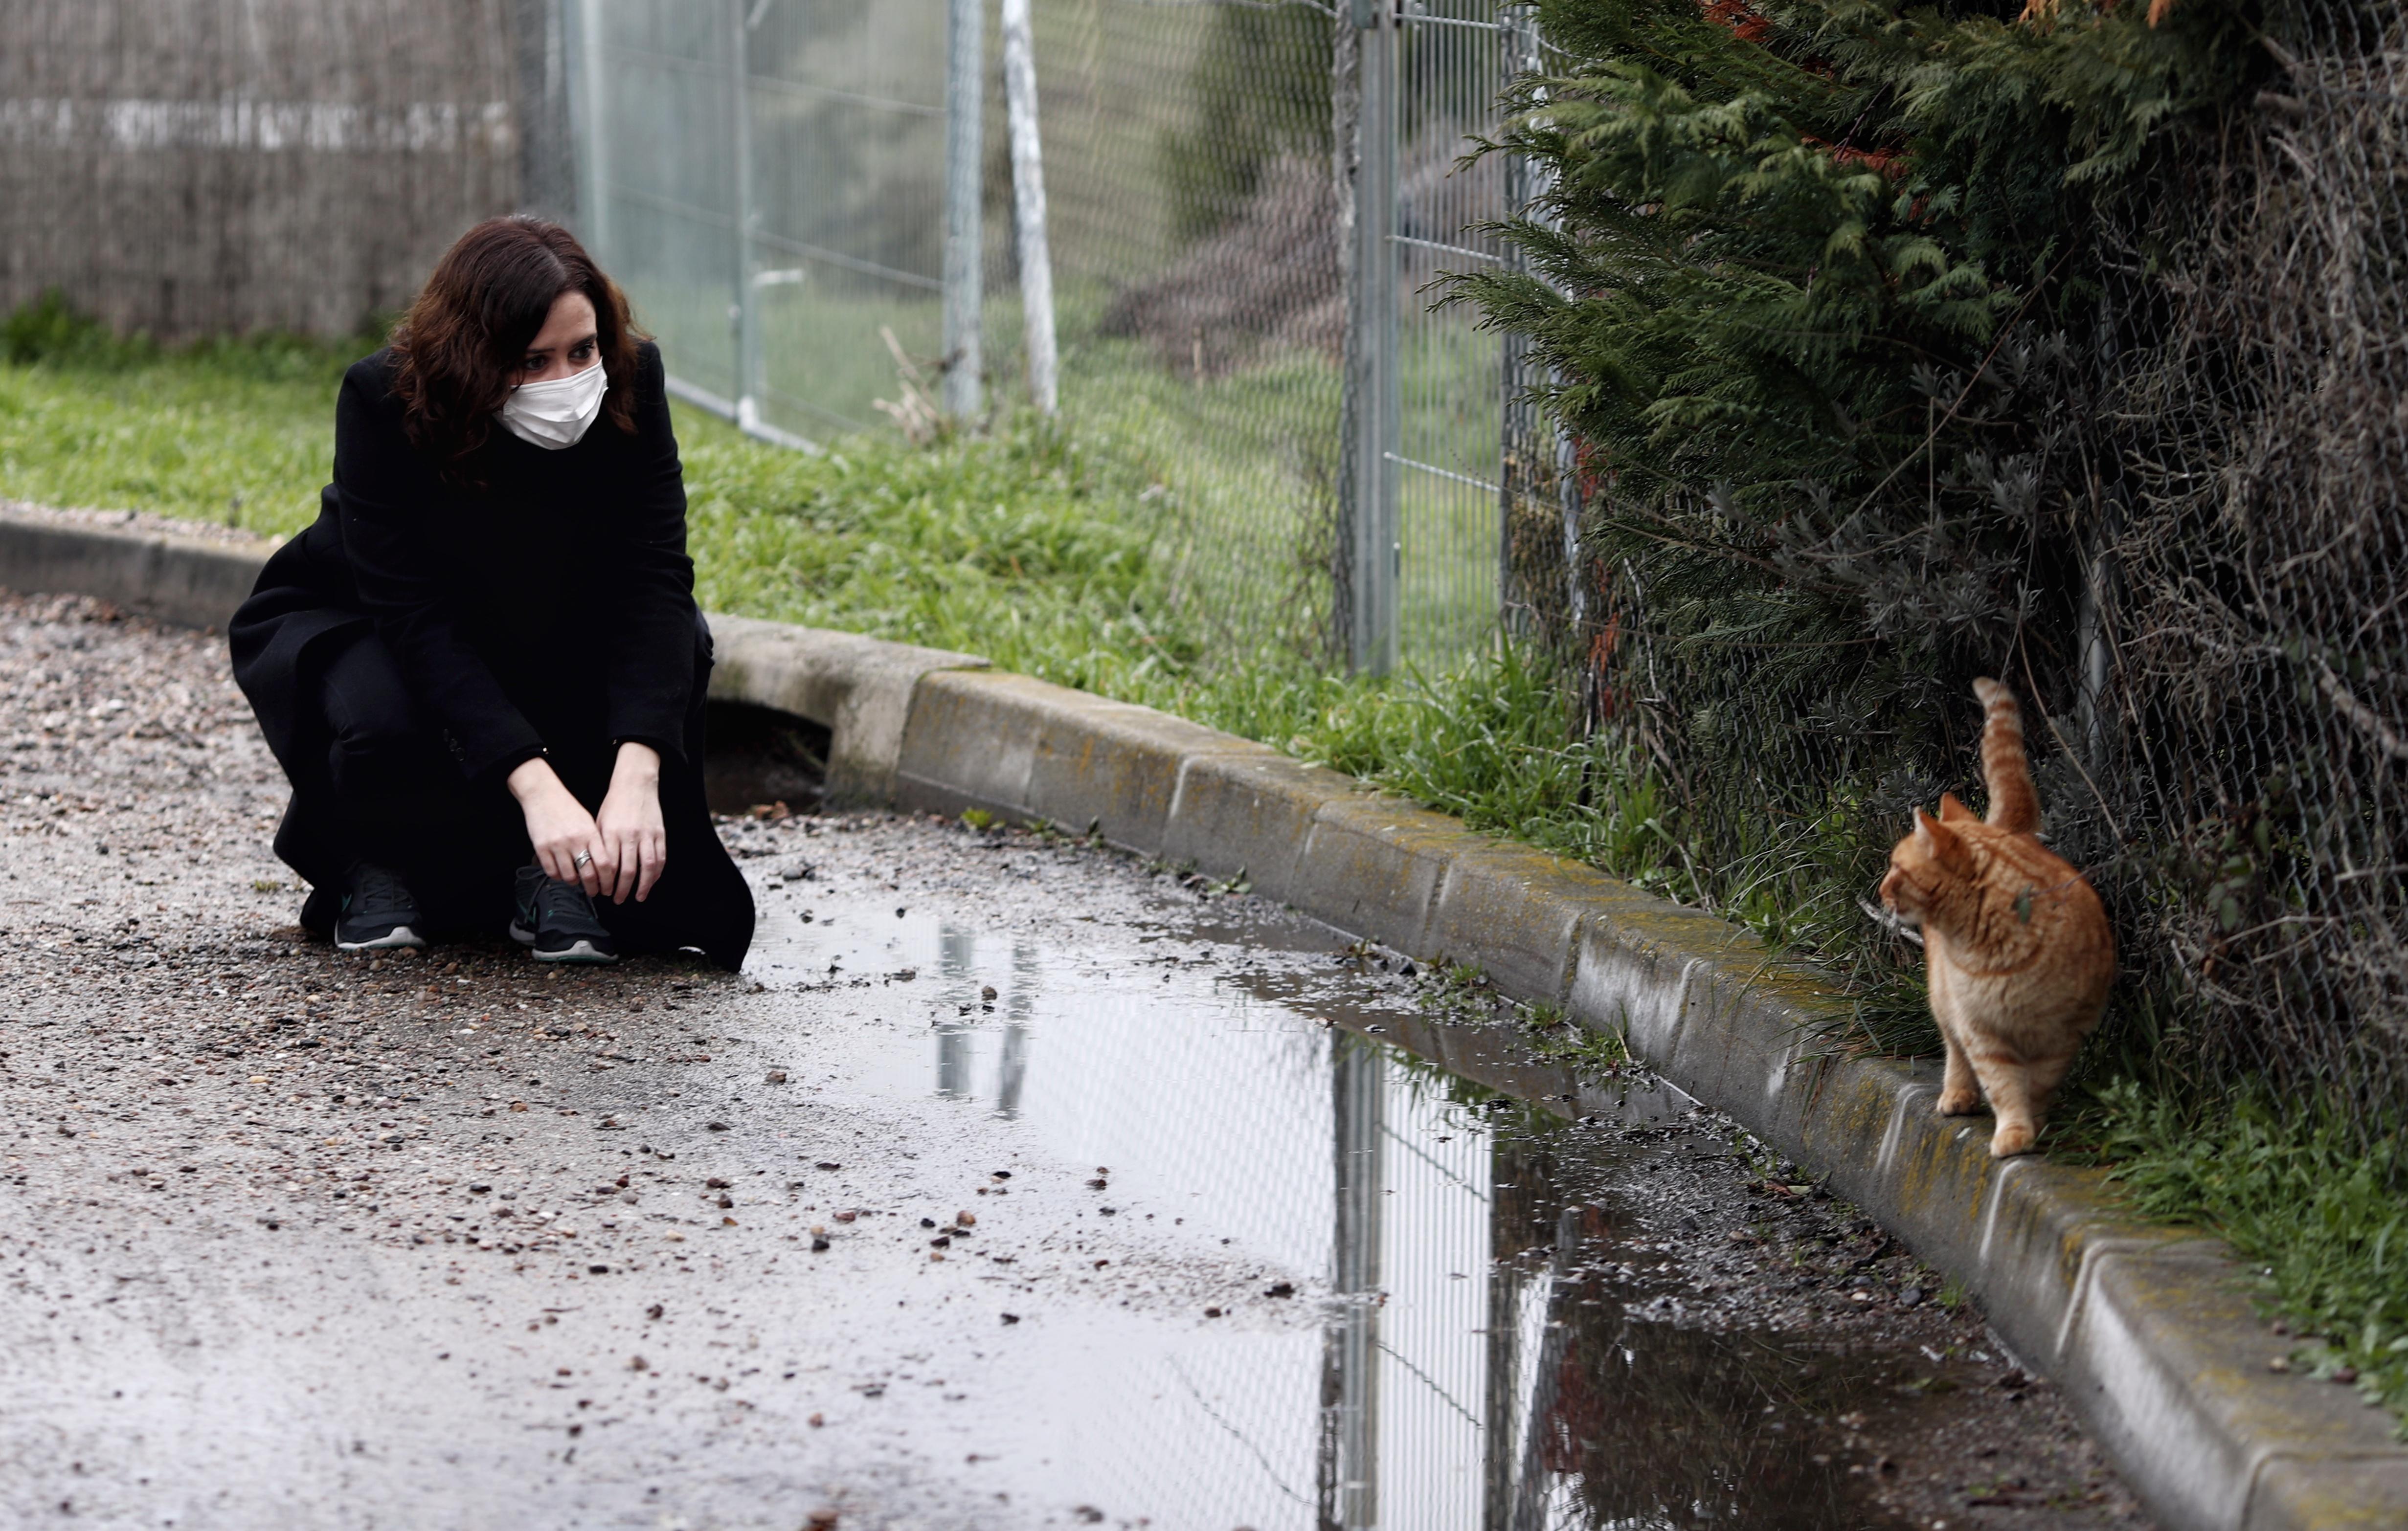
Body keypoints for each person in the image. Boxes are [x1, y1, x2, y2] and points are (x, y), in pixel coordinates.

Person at [230, 216, 754, 969]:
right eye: (532, 362)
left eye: (582, 350)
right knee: (384, 716)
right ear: (473, 356)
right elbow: (413, 617)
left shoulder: (635, 380)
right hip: (370, 616)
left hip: (539, 610)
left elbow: (656, 574)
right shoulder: (385, 397)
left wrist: (640, 773)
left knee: (674, 644)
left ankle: (548, 871)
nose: (566, 382)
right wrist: (538, 789)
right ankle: (371, 859)